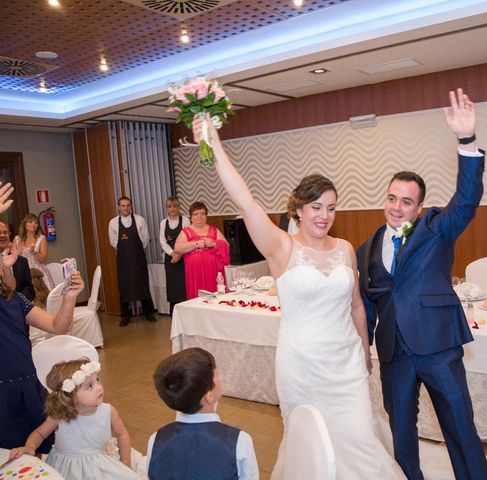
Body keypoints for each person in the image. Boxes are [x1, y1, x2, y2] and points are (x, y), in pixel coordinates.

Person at [191, 117, 405, 478]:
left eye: (331, 207)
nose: (324, 215)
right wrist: (214, 144)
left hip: (347, 363)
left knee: (358, 437)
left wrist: (364, 352)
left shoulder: (346, 249)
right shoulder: (281, 248)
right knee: (311, 445)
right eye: (317, 207)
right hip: (302, 367)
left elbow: (355, 306)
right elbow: (244, 201)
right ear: (300, 209)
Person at [356, 88, 487, 480]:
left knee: (460, 428)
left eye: (406, 202)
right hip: (394, 353)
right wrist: (361, 346)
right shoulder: (367, 247)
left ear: (419, 206)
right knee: (401, 432)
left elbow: (467, 199)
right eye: (392, 198)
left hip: (437, 346)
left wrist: (466, 140)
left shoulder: (437, 228)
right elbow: (367, 302)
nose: (397, 207)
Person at [0, 260, 84, 453]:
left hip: (27, 390)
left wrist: (70, 298)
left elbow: (57, 326)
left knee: (35, 449)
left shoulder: (15, 299)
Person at [9, 358, 141, 480]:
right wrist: (30, 447)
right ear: (71, 396)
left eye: (98, 380)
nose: (99, 387)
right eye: (90, 386)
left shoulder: (107, 411)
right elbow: (40, 433)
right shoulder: (60, 415)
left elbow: (122, 434)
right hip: (68, 469)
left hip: (103, 467)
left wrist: (125, 462)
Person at [148, 347, 258, 480]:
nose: (220, 376)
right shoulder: (240, 441)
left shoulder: (156, 439)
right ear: (209, 396)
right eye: (216, 374)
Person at [108, 196, 156, 326]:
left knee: (143, 284)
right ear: (119, 207)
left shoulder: (140, 220)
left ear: (131, 206)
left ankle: (148, 312)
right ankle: (125, 315)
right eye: (123, 205)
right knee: (124, 286)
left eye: (128, 205)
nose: (125, 208)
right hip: (123, 260)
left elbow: (145, 239)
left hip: (139, 258)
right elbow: (113, 242)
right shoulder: (113, 222)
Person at [174, 202, 229, 300]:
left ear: (206, 215)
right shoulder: (185, 231)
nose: (199, 216)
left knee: (216, 297)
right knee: (197, 297)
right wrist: (196, 244)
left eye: (202, 213)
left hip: (214, 272)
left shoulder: (214, 230)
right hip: (195, 273)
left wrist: (214, 243)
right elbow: (177, 248)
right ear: (191, 217)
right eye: (196, 214)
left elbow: (226, 245)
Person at [159, 196, 190, 314]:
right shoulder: (163, 223)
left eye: (175, 206)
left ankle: (185, 312)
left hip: (184, 257)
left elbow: (188, 239)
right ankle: (174, 313)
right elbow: (162, 241)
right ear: (167, 208)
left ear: (178, 207)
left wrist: (179, 254)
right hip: (170, 258)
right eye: (170, 206)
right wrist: (173, 254)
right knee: (172, 286)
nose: (172, 209)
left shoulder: (185, 220)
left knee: (183, 285)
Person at [13, 213, 55, 290]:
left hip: (39, 273)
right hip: (23, 273)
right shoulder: (17, 239)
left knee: (44, 298)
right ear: (24, 224)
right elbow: (13, 259)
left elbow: (43, 259)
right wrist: (19, 250)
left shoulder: (41, 238)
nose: (34, 224)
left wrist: (34, 253)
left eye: (36, 223)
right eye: (30, 222)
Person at [0, 220, 35, 300]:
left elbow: (29, 290)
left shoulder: (21, 261)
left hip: (18, 308)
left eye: (5, 232)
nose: (2, 235)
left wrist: (17, 301)